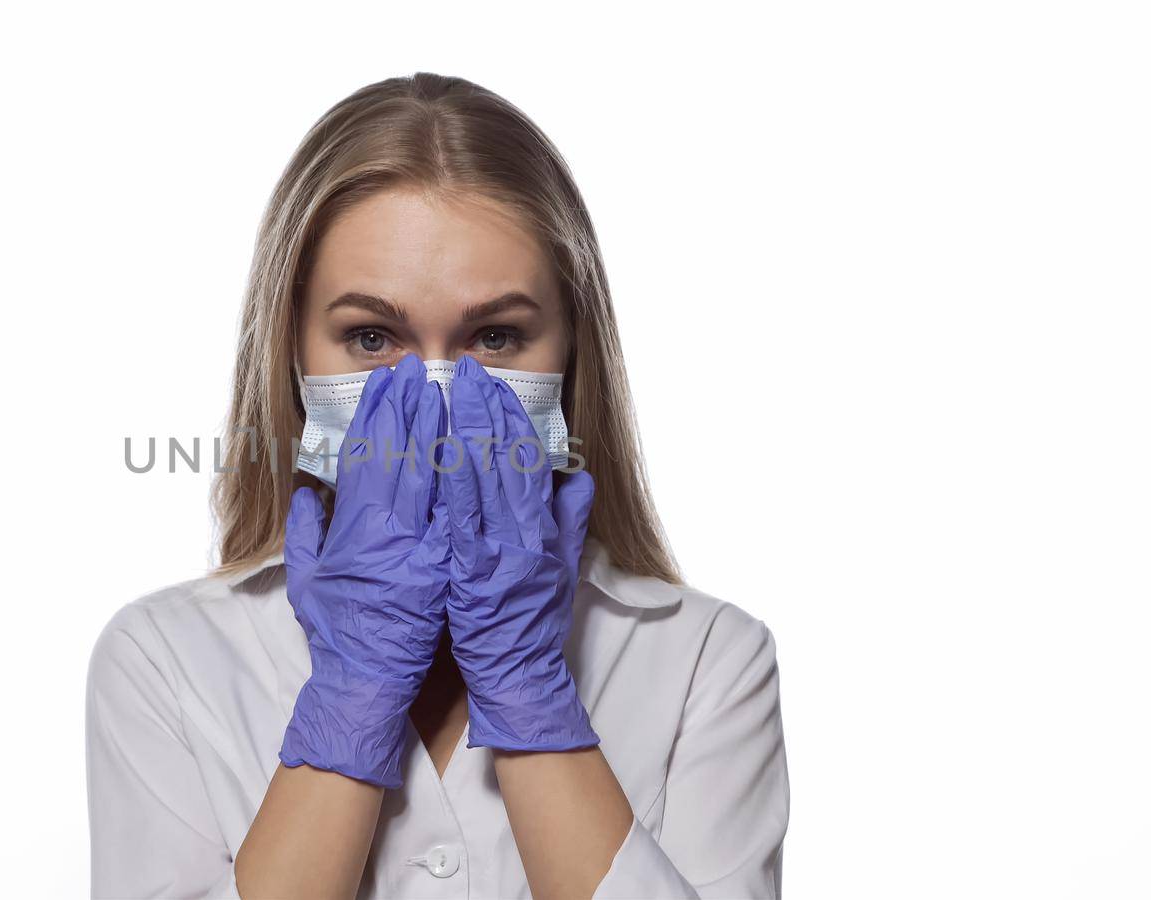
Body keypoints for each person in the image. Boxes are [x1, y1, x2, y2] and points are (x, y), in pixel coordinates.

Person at [87, 72, 789, 899]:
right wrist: (354, 692)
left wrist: (527, 688)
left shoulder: (707, 660)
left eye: (495, 335)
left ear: (571, 357)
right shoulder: (165, 660)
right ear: (291, 355)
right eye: (372, 336)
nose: (435, 395)